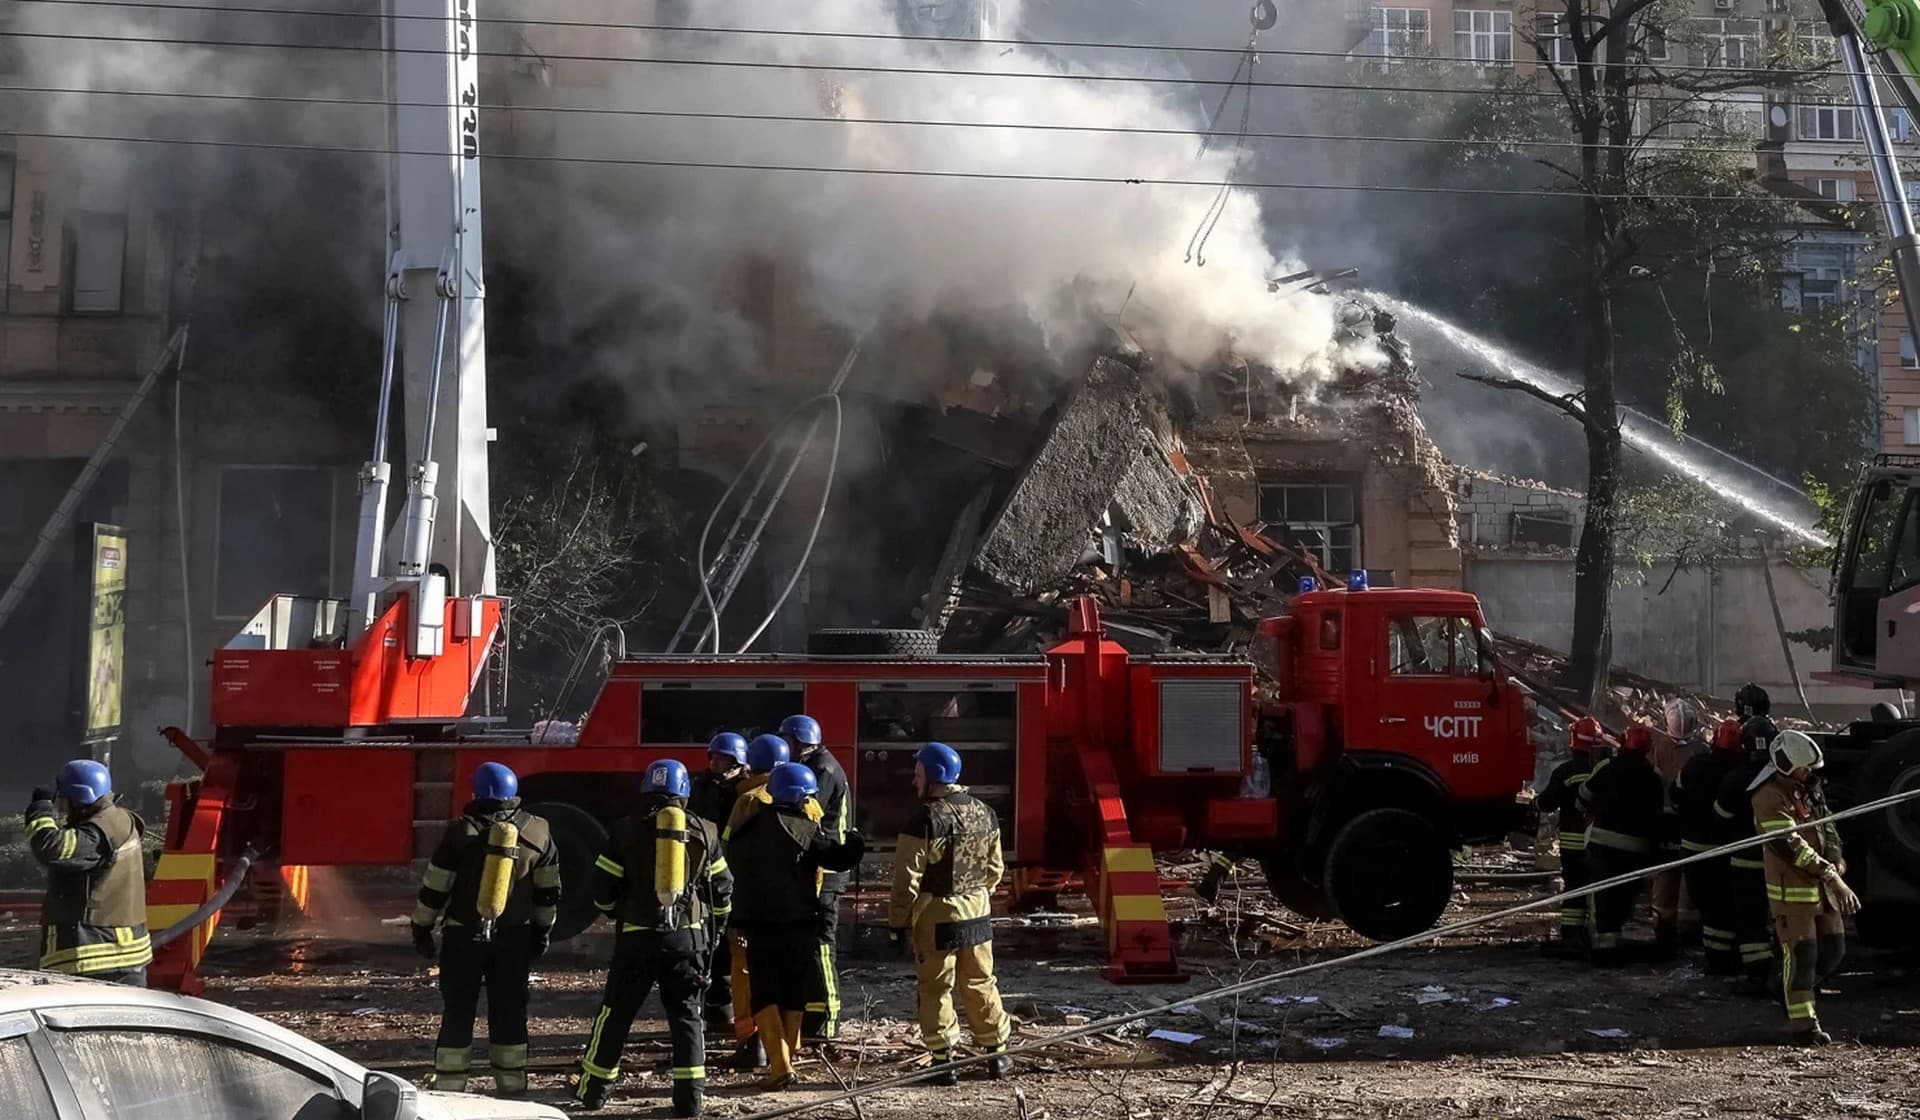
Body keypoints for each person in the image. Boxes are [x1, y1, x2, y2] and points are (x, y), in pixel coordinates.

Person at [572, 760, 733, 1114]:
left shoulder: (626, 831)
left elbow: (602, 890)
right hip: (687, 942)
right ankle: (690, 1101)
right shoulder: (706, 831)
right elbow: (723, 891)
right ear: (684, 794)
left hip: (637, 940)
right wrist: (714, 931)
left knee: (615, 1015)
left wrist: (618, 910)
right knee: (688, 1017)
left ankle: (593, 1092)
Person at [411, 762, 561, 1096]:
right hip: (514, 937)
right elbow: (548, 891)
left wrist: (421, 928)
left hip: (463, 936)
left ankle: (450, 1086)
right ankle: (512, 1083)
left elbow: (435, 888)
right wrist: (541, 931)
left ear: (477, 793)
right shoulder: (538, 832)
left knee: (458, 1009)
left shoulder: (459, 832)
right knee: (509, 1008)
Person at [725, 762, 865, 1090]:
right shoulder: (804, 829)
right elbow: (838, 859)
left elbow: (736, 877)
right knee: (792, 992)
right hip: (799, 925)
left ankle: (780, 1064)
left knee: (764, 993)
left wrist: (736, 921)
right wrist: (856, 842)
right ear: (800, 797)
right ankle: (787, 1057)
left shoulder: (747, 829)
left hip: (757, 926)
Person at [888, 742, 1012, 1084]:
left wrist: (898, 922)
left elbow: (905, 880)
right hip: (977, 911)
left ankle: (943, 1063)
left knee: (935, 987)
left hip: (937, 913)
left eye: (918, 774)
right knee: (980, 980)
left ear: (933, 776)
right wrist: (977, 895)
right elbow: (995, 869)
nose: (915, 782)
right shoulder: (984, 812)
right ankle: (997, 1055)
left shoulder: (924, 819)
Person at [1750, 730, 1858, 1045]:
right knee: (1802, 955)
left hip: (1823, 890)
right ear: (1787, 765)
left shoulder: (1808, 790)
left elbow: (1828, 825)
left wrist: (1836, 858)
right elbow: (1790, 845)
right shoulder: (1768, 796)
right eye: (1805, 768)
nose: (1810, 774)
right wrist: (1831, 876)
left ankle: (1791, 990)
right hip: (1792, 893)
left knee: (1834, 950)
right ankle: (1803, 1025)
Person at [27, 759, 150, 984]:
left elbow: (51, 848)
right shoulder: (116, 820)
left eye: (63, 801)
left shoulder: (97, 831)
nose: (61, 810)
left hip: (95, 957)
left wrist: (40, 809)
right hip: (119, 956)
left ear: (78, 799)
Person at [717, 733, 798, 1071]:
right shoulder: (806, 798)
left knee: (745, 975)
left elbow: (726, 852)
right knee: (786, 975)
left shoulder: (748, 801)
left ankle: (752, 1044)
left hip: (751, 905)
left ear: (751, 764)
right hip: (793, 908)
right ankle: (784, 1046)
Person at [780, 713, 850, 1043]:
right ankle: (813, 1015)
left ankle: (827, 1020)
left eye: (787, 742)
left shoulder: (822, 770)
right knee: (811, 944)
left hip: (828, 870)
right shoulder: (821, 763)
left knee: (822, 945)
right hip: (821, 867)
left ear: (798, 742)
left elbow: (806, 813)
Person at [1578, 723, 1666, 965]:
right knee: (1624, 897)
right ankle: (1615, 943)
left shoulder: (1607, 767)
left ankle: (1604, 948)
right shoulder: (1654, 778)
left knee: (1602, 896)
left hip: (1603, 845)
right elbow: (1659, 817)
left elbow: (1583, 796)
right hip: (1636, 850)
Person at [689, 732, 750, 1032]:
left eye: (722, 758)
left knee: (731, 944)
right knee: (709, 942)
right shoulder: (701, 787)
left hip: (736, 874)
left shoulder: (746, 792)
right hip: (707, 872)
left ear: (737, 761)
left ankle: (729, 1009)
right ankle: (715, 1010)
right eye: (712, 757)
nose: (714, 762)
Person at [1676, 718, 1746, 974]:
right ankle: (1720, 959)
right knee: (1721, 906)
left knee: (1707, 904)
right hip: (1722, 849)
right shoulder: (1740, 772)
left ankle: (1714, 955)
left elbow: (1677, 793)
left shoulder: (1695, 764)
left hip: (1692, 847)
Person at [1715, 716, 1779, 987]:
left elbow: (1721, 816)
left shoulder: (1734, 778)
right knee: (1783, 918)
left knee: (1750, 920)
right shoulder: (1782, 777)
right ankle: (1787, 971)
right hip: (1780, 862)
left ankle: (1756, 975)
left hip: (1745, 861)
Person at [1536, 717, 1603, 953]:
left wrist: (1537, 803)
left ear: (1574, 741)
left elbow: (1546, 802)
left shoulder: (1565, 771)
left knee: (1574, 888)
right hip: (1600, 843)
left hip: (1572, 844)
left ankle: (1572, 934)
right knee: (1599, 887)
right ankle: (1597, 933)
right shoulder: (1604, 769)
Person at [1651, 700, 1708, 953]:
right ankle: (1688, 929)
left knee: (1665, 873)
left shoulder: (1657, 748)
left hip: (1663, 822)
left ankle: (1663, 927)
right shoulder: (1701, 752)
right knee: (1690, 874)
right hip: (1691, 822)